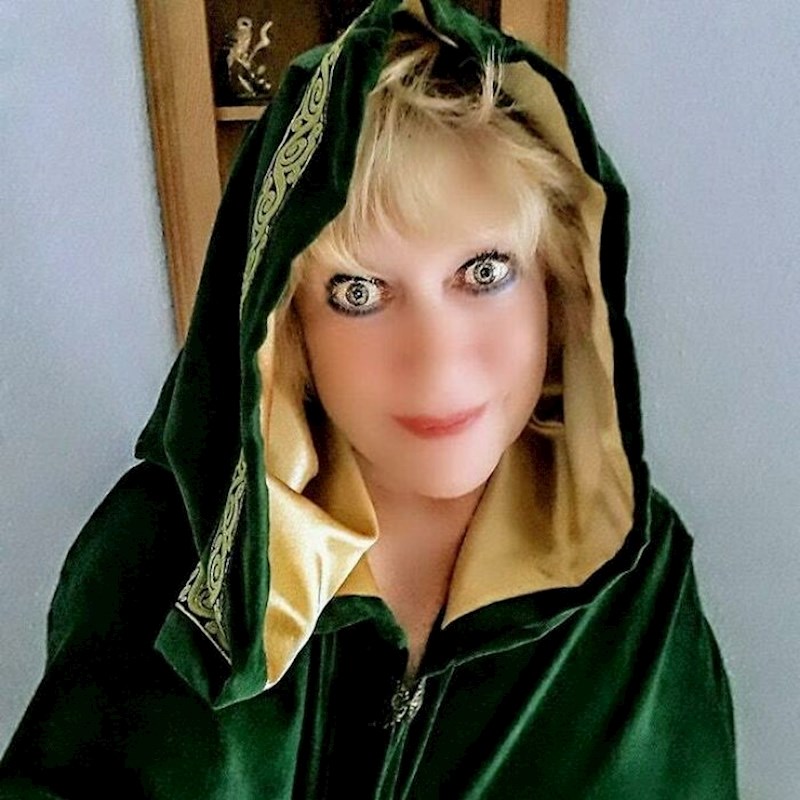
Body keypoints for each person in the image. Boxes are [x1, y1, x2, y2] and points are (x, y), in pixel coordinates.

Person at [0, 0, 738, 797]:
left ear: (559, 292)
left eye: (485, 273)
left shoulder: (637, 572)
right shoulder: (161, 549)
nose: (436, 361)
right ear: (286, 329)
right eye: (359, 292)